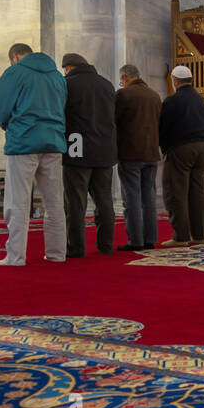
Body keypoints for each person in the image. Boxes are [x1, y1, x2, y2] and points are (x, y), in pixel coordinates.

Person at [0, 43, 68, 266]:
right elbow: (63, 106)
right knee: (54, 202)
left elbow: (1, 107)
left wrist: (12, 127)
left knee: (18, 201)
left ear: (14, 56)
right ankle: (57, 253)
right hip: (53, 142)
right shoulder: (56, 75)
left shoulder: (15, 73)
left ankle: (15, 256)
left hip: (23, 142)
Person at [61, 53, 117, 258]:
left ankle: (75, 248)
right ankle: (106, 246)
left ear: (68, 68)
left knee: (75, 203)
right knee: (104, 201)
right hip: (104, 149)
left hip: (77, 148)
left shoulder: (68, 85)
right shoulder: (106, 84)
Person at [158, 64, 204, 246]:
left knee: (176, 192)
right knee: (199, 192)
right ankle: (199, 235)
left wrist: (165, 148)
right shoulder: (201, 100)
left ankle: (180, 236)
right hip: (203, 148)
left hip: (182, 148)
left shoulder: (172, 101)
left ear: (175, 81)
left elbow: (163, 128)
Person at [114, 63, 163, 251]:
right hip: (151, 153)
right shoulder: (154, 95)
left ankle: (135, 241)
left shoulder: (124, 95)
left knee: (132, 198)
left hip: (130, 152)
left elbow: (114, 121)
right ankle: (150, 239)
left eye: (121, 80)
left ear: (125, 78)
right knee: (149, 197)